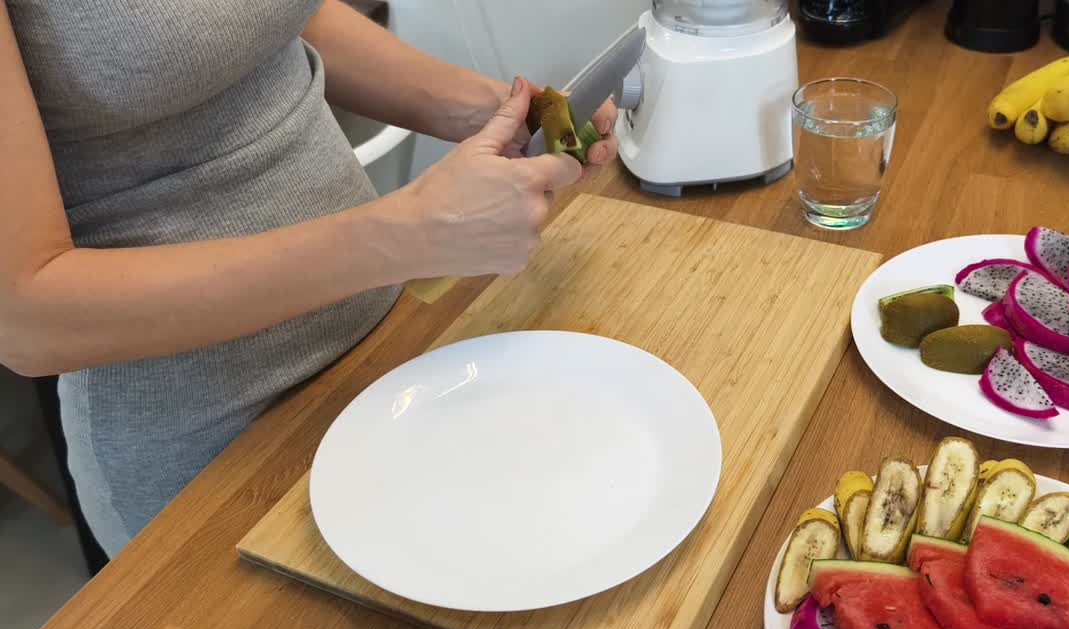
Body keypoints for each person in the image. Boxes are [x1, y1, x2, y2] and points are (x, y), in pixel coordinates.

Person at [0, 0, 618, 557]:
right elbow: (26, 316)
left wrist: (493, 112)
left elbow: (270, 21)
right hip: (213, 444)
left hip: (383, 342)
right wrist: (405, 235)